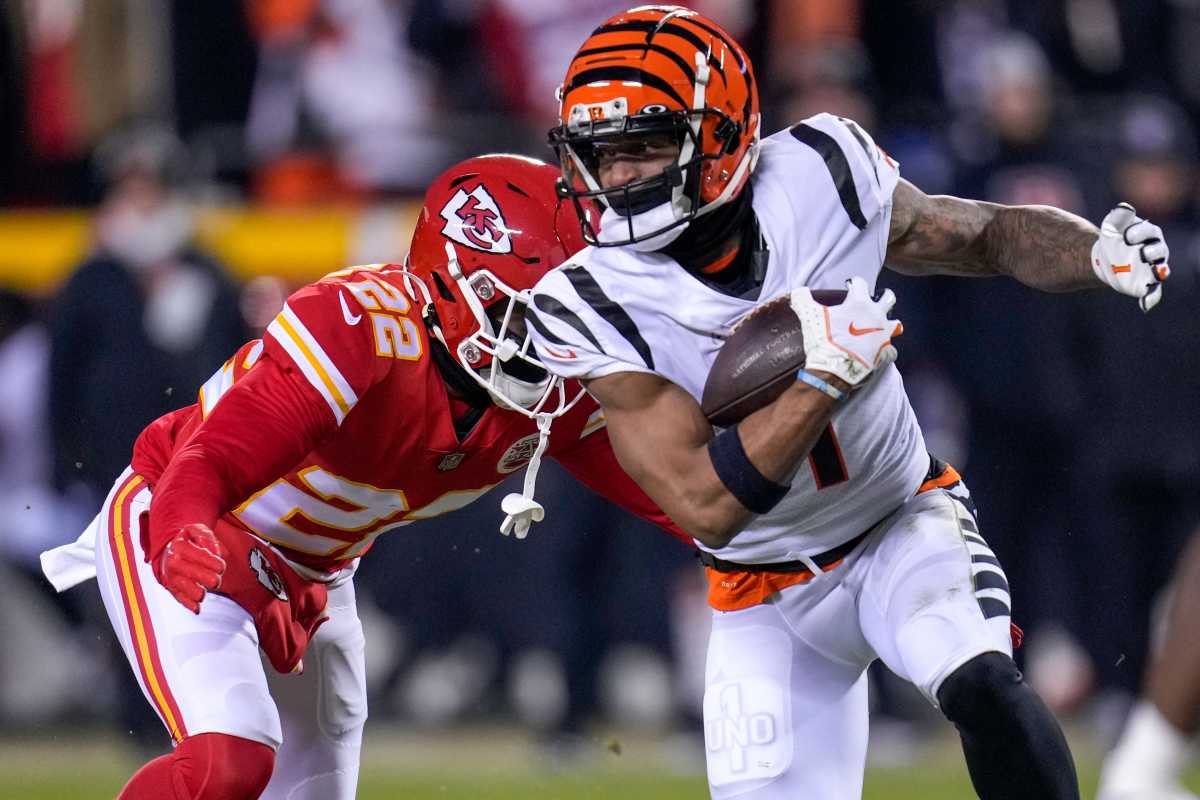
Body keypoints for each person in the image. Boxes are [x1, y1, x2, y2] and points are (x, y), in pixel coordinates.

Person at [525, 6, 1171, 799]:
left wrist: (1094, 251)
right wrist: (817, 384)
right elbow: (704, 505)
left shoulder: (820, 170)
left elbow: (983, 234)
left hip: (899, 521)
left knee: (982, 685)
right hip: (761, 587)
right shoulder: (590, 299)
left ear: (725, 133)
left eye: (645, 146)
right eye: (601, 154)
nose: (617, 176)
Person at [40, 154, 688, 800]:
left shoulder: (558, 392)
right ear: (452, 286)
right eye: (529, 309)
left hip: (317, 572)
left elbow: (681, 497)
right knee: (229, 763)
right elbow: (209, 459)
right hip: (194, 522)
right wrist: (182, 528)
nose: (552, 335)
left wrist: (771, 536)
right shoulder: (361, 331)